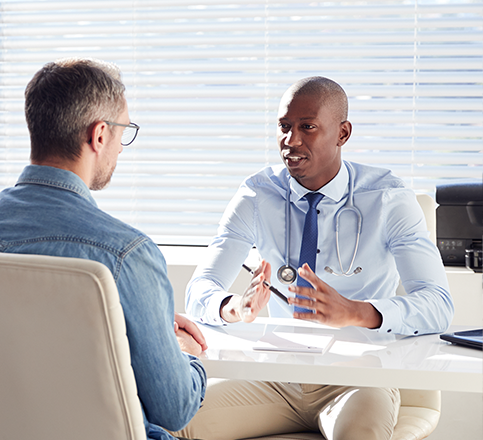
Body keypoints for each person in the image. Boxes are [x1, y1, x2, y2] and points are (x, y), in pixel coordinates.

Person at [178, 76, 453, 440]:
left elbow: (438, 305)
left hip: (359, 378)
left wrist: (356, 311)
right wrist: (233, 307)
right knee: (172, 423)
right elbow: (200, 289)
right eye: (284, 127)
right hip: (276, 379)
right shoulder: (257, 195)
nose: (290, 141)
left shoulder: (389, 199)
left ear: (343, 133)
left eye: (307, 127)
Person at [0, 58, 207, 440]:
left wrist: (141, 319)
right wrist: (184, 352)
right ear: (99, 135)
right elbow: (175, 409)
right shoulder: (127, 254)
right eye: (124, 132)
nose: (122, 148)